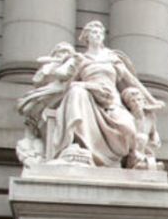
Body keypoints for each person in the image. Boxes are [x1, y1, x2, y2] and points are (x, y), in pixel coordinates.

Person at [52, 20, 162, 167]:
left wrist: (151, 100)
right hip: (89, 100)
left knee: (128, 128)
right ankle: (77, 146)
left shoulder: (112, 58)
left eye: (100, 33)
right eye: (93, 32)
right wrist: (86, 85)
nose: (97, 35)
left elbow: (132, 81)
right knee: (76, 91)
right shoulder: (81, 60)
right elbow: (67, 85)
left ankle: (133, 156)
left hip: (112, 101)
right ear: (86, 37)